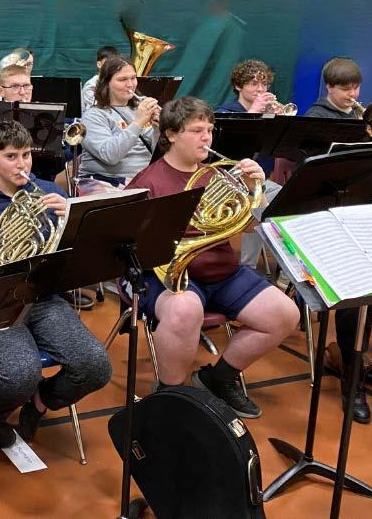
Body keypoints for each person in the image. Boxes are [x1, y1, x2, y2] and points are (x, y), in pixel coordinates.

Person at [0, 120, 112, 448]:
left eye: (27, 155)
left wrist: (70, 220)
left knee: (95, 366)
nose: (22, 165)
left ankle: (40, 401)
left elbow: (75, 254)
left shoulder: (50, 193)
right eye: (11, 157)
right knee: (21, 372)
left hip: (42, 297)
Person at [126, 97, 300, 418]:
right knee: (184, 309)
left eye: (209, 130)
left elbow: (251, 227)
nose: (206, 138)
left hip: (223, 271)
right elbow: (131, 246)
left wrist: (254, 189)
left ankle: (219, 377)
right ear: (171, 134)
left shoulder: (218, 175)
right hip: (170, 275)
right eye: (196, 131)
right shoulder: (148, 182)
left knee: (285, 314)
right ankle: (170, 392)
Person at [330, 97, 372, 424]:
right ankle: (352, 382)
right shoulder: (351, 167)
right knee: (354, 304)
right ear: (369, 131)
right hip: (358, 252)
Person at [215, 59, 284, 267]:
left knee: (285, 197)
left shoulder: (265, 113)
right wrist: (253, 112)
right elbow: (227, 151)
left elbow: (270, 151)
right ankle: (248, 266)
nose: (260, 89)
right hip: (227, 180)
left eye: (264, 84)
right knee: (256, 204)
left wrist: (278, 123)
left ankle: (286, 266)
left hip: (258, 179)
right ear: (238, 86)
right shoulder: (225, 112)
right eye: (254, 83)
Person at [80, 56, 159, 189]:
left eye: (133, 78)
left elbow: (156, 153)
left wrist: (159, 129)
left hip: (144, 178)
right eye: (123, 79)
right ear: (106, 83)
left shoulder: (139, 109)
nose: (130, 84)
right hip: (107, 183)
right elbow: (110, 156)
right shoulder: (93, 116)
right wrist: (139, 122)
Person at [81, 45, 120, 114]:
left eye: (114, 64)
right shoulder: (91, 85)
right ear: (99, 64)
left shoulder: (115, 82)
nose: (111, 67)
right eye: (107, 63)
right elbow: (94, 109)